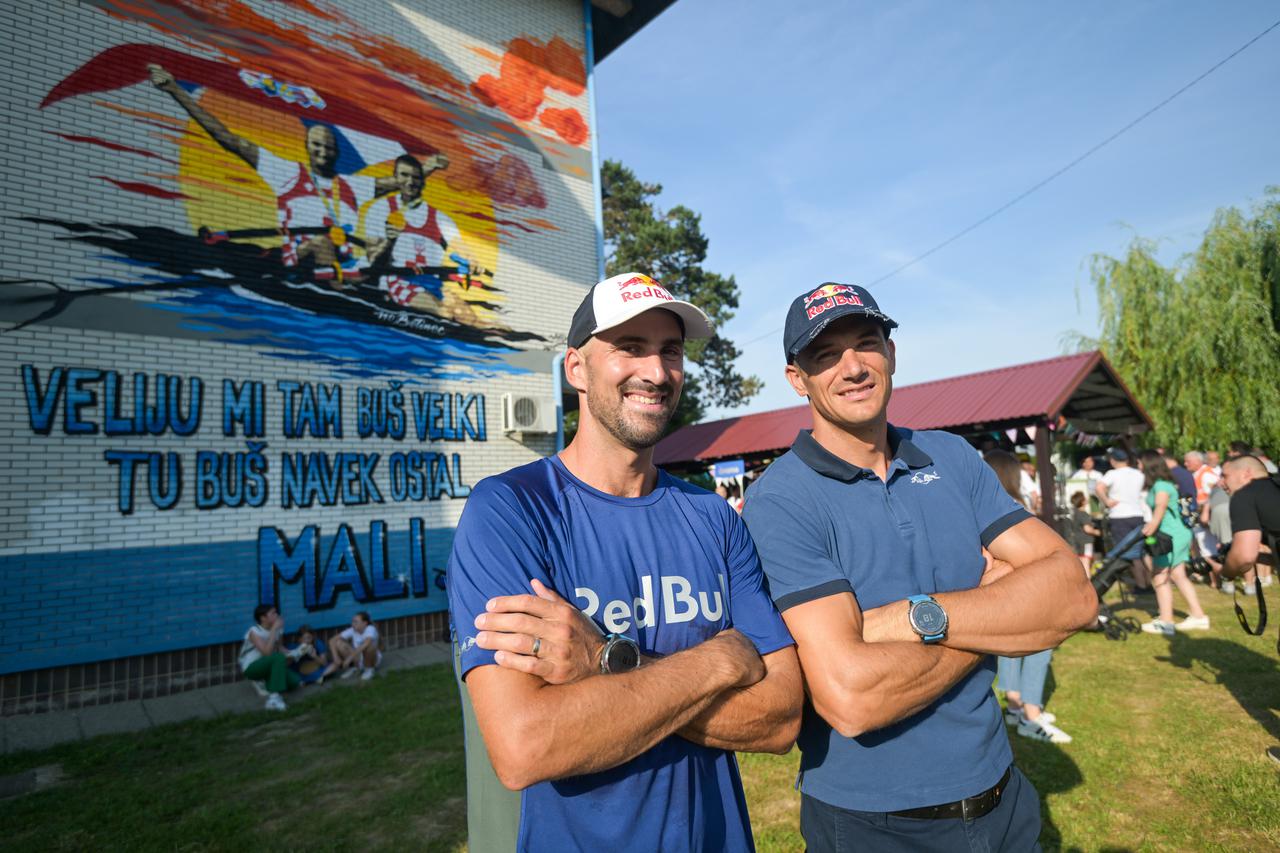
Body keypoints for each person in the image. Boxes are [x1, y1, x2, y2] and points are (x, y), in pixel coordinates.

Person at [446, 271, 802, 852]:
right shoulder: (510, 512)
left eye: (670, 351)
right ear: (576, 368)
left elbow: (782, 715)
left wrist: (603, 661)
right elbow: (525, 745)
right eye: (630, 348)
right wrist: (720, 660)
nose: (657, 372)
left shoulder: (712, 518)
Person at [741, 282, 1096, 851]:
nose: (852, 366)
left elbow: (1074, 595)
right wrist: (996, 614)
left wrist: (908, 617)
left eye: (867, 343)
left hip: (1004, 796)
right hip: (873, 823)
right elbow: (850, 700)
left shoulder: (952, 457)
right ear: (796, 379)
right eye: (825, 355)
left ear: (892, 352)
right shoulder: (781, 499)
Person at [149, 63, 396, 277]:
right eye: (317, 145)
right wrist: (174, 89)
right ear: (307, 148)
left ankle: (353, 281)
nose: (323, 152)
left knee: (380, 244)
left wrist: (429, 166)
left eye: (329, 147)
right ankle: (338, 285)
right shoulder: (289, 172)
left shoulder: (352, 186)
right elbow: (227, 138)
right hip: (299, 258)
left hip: (342, 260)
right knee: (322, 242)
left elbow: (402, 182)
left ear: (337, 152)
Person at [984, 450, 1075, 744]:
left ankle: (1014, 706)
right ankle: (1030, 716)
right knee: (1040, 647)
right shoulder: (1012, 505)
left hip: (997, 594)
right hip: (1025, 590)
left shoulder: (980, 505)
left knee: (1010, 649)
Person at [364, 153, 482, 322]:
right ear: (395, 177)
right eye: (404, 175)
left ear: (423, 181)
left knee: (470, 319)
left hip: (431, 283)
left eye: (416, 177)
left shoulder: (440, 218)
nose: (410, 182)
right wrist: (390, 242)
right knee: (445, 313)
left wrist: (471, 259)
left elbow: (459, 246)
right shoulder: (380, 209)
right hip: (398, 280)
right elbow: (372, 262)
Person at [1137, 450, 1208, 635]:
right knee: (1178, 575)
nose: (1138, 466)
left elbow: (1161, 505)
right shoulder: (1164, 483)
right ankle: (1199, 617)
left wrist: (1152, 525)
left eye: (1140, 463)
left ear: (1148, 465)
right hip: (1178, 533)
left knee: (1160, 576)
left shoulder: (1161, 485)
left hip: (1171, 536)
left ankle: (1166, 623)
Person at [1221, 455, 1280, 587]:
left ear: (1246, 473)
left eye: (1225, 476)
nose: (1221, 483)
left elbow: (1245, 556)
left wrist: (1226, 573)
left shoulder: (1245, 495)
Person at [1097, 448, 1150, 592]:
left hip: (1120, 516)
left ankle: (1141, 585)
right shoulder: (1138, 474)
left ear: (1113, 460)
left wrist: (1107, 501)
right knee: (1141, 551)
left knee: (1127, 553)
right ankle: (1149, 580)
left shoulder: (1112, 474)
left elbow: (1099, 487)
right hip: (1138, 514)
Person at [239, 604, 300, 710]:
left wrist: (297, 652)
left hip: (268, 664)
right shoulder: (254, 631)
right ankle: (273, 700)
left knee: (294, 682)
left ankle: (265, 682)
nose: (277, 615)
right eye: (273, 613)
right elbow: (267, 653)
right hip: (251, 667)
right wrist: (274, 630)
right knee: (277, 657)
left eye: (276, 612)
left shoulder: (278, 630)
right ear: (263, 618)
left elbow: (280, 648)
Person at [329, 611, 381, 680]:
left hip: (372, 659)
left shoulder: (370, 629)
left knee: (369, 647)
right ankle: (355, 667)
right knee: (339, 643)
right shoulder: (352, 630)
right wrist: (335, 657)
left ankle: (369, 669)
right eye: (353, 621)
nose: (352, 624)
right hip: (358, 658)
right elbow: (332, 640)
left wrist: (350, 658)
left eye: (356, 622)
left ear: (365, 623)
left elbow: (366, 643)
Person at [1067, 491, 1101, 573]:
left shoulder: (1075, 513)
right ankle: (1087, 581)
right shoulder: (1084, 514)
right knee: (1086, 561)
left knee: (1081, 560)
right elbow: (1087, 529)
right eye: (1085, 498)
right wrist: (1097, 532)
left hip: (1078, 541)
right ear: (1082, 502)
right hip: (1086, 542)